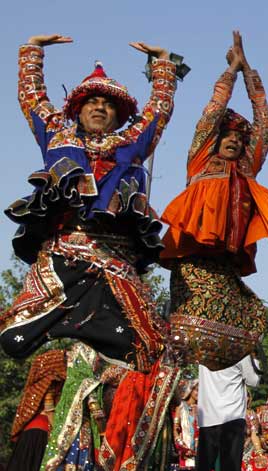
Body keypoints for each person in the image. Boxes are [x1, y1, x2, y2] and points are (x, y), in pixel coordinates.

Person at [2, 34, 181, 370]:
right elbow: (31, 97)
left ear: (118, 114)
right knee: (13, 339)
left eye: (109, 104)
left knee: (147, 354)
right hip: (62, 257)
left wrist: (163, 64)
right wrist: (32, 49)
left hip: (115, 265)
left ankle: (93, 342)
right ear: (78, 110)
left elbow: (159, 111)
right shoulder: (57, 135)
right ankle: (70, 324)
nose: (100, 108)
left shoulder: (131, 143)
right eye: (92, 102)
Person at [161, 32, 268, 370]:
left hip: (226, 268)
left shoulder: (246, 168)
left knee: (245, 324)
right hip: (193, 262)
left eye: (238, 138)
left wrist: (250, 74)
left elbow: (265, 125)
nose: (232, 140)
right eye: (226, 136)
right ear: (214, 140)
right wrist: (231, 71)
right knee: (184, 339)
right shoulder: (201, 160)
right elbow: (213, 112)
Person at [26, 344, 102, 471]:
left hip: (63, 431)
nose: (98, 363)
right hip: (80, 431)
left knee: (60, 466)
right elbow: (96, 412)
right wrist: (104, 430)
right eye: (96, 359)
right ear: (88, 360)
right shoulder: (87, 383)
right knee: (79, 467)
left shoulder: (70, 383)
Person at [191, 353, 261, 471]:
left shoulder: (205, 351)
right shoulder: (240, 354)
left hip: (208, 418)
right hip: (232, 417)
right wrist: (256, 357)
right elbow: (255, 381)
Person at [0, 350, 67, 471]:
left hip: (29, 433)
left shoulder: (37, 384)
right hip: (42, 432)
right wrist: (57, 432)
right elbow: (50, 408)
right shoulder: (50, 381)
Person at [167, 379, 198, 471]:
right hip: (184, 450)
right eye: (196, 390)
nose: (198, 393)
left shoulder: (202, 409)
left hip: (199, 450)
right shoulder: (181, 407)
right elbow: (176, 430)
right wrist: (182, 447)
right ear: (189, 390)